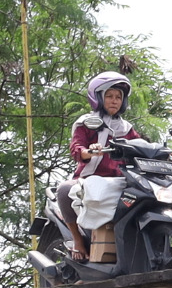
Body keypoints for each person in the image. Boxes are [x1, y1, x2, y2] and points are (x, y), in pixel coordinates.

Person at [60, 70, 140, 263]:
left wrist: (163, 153)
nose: (114, 101)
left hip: (120, 181)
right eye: (109, 96)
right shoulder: (85, 122)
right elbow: (76, 148)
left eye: (118, 97)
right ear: (98, 98)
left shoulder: (125, 128)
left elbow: (140, 145)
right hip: (89, 179)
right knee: (64, 190)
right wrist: (89, 151)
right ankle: (77, 240)